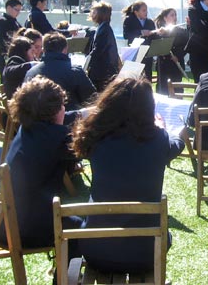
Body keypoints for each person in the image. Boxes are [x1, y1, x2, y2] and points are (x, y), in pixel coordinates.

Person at [71, 77, 184, 273]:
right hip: (147, 253)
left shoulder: (95, 138)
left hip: (96, 250)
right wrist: (163, 128)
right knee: (167, 236)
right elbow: (177, 143)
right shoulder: (159, 139)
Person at [0, 77, 83, 249]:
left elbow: (66, 120)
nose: (64, 109)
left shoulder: (28, 127)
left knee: (72, 223)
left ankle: (61, 272)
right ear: (54, 111)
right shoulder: (56, 139)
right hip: (23, 231)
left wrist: (89, 112)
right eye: (62, 105)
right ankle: (63, 276)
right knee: (83, 229)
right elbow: (90, 144)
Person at [25, 32, 96, 111]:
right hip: (69, 120)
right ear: (65, 49)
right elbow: (92, 99)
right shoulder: (75, 71)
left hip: (36, 121)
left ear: (43, 50)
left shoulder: (30, 73)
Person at [86, 2, 120, 92]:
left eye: (94, 12)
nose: (91, 15)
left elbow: (98, 49)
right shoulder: (104, 27)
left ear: (101, 14)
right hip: (105, 71)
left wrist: (86, 61)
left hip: (102, 73)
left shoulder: (104, 29)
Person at [153, 8, 189, 95]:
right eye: (172, 15)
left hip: (176, 63)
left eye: (175, 15)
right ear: (165, 18)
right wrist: (161, 34)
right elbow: (157, 46)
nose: (175, 17)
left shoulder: (181, 31)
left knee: (177, 89)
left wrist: (178, 56)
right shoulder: (160, 31)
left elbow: (186, 45)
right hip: (163, 66)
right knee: (163, 89)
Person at [122, 0, 157, 80]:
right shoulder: (129, 20)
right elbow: (126, 35)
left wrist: (158, 32)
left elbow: (154, 36)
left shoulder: (150, 22)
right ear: (136, 12)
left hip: (147, 53)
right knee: (135, 77)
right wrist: (140, 32)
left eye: (146, 10)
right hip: (135, 52)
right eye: (143, 10)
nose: (146, 12)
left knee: (147, 76)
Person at [0, 0, 22, 80]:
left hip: (13, 55)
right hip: (5, 57)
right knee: (7, 80)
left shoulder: (14, 21)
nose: (18, 13)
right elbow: (4, 42)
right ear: (9, 8)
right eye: (17, 10)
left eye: (20, 10)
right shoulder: (1, 21)